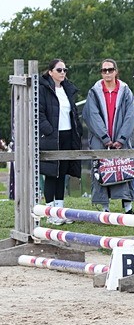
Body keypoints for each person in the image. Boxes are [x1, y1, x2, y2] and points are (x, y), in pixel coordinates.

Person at [82, 59, 134, 213]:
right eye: (104, 70)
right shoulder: (94, 92)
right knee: (101, 171)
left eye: (110, 69)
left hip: (121, 139)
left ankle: (128, 207)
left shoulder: (125, 90)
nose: (107, 73)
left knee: (124, 168)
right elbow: (92, 115)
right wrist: (105, 138)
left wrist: (121, 138)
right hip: (101, 141)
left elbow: (130, 115)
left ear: (116, 71)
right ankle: (105, 208)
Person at [37, 60, 83, 223]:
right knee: (51, 173)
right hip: (51, 137)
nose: (63, 72)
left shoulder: (67, 89)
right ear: (50, 72)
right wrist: (49, 130)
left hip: (67, 135)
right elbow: (39, 113)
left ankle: (60, 211)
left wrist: (77, 130)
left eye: (65, 69)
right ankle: (50, 213)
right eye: (59, 69)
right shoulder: (43, 89)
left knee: (62, 173)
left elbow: (72, 112)